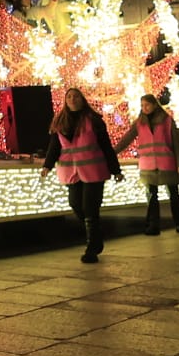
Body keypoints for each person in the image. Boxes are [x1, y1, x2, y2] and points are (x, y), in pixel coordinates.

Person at [41, 87, 123, 262]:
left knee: (90, 208)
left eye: (76, 96)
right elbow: (54, 147)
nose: (72, 99)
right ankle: (96, 234)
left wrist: (116, 170)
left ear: (82, 99)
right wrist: (47, 165)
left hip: (94, 171)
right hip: (71, 172)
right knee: (76, 205)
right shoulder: (60, 122)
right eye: (69, 97)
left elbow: (106, 146)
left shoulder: (93, 120)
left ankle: (92, 248)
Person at [112, 94, 179, 235]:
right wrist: (112, 152)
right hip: (148, 164)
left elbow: (177, 143)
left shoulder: (167, 121)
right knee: (151, 196)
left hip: (166, 163)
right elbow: (126, 139)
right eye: (142, 105)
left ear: (154, 105)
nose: (144, 108)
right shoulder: (140, 122)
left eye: (147, 105)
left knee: (173, 194)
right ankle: (153, 226)